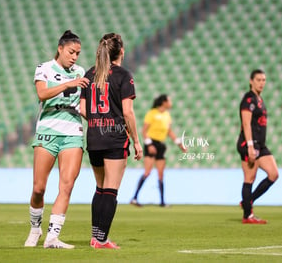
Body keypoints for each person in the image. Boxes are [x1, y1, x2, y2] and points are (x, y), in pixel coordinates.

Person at [24, 30, 89, 248]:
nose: (74, 57)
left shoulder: (79, 72)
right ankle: (35, 228)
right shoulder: (44, 68)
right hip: (48, 131)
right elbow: (42, 94)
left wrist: (103, 123)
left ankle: (52, 237)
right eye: (71, 52)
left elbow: (81, 106)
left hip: (72, 133)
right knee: (38, 189)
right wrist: (67, 85)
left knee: (67, 185)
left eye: (78, 53)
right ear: (60, 48)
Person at [80, 33, 143, 249]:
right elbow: (128, 113)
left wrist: (98, 121)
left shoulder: (89, 74)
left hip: (94, 136)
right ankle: (101, 239)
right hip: (115, 137)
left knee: (100, 187)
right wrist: (136, 140)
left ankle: (95, 236)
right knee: (111, 189)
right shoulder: (124, 75)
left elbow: (82, 109)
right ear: (121, 52)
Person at [236, 69, 279, 224]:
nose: (262, 83)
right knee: (250, 178)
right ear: (251, 81)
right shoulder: (248, 100)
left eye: (264, 80)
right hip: (249, 144)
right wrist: (249, 146)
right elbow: (246, 123)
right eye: (259, 80)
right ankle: (247, 215)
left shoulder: (259, 100)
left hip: (260, 145)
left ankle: (247, 201)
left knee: (273, 174)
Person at [130, 94, 187, 207]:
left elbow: (169, 131)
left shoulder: (167, 115)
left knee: (161, 174)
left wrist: (179, 143)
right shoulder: (152, 113)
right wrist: (149, 144)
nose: (171, 103)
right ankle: (135, 198)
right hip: (151, 143)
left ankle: (162, 202)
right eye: (169, 100)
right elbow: (144, 131)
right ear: (164, 102)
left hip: (161, 145)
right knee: (147, 172)